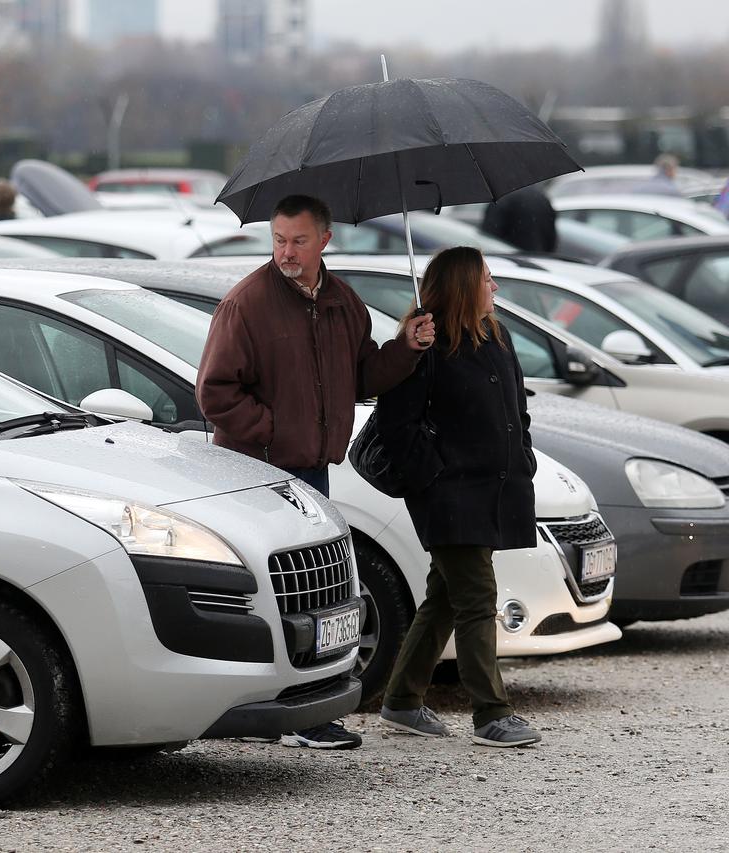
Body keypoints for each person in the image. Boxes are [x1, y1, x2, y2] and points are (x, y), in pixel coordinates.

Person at [196, 194, 435, 749]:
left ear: (324, 240)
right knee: (278, 597)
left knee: (319, 596)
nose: (286, 252)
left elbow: (365, 377)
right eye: (278, 239)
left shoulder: (342, 302)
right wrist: (278, 430)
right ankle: (287, 716)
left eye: (298, 241)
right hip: (256, 474)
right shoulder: (247, 303)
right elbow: (215, 393)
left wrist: (408, 346)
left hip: (314, 474)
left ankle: (308, 710)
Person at [376, 245, 541, 749]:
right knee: (476, 598)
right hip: (448, 494)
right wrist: (435, 474)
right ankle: (491, 712)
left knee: (445, 597)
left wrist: (524, 455)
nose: (495, 287)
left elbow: (518, 409)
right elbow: (395, 425)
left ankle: (401, 701)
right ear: (465, 286)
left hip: (492, 488)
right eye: (487, 279)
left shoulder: (497, 336)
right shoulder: (426, 341)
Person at [479, 185, 557, 253]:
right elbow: (551, 237)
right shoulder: (542, 197)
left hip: (508, 260)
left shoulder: (502, 197)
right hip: (539, 258)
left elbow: (489, 236)